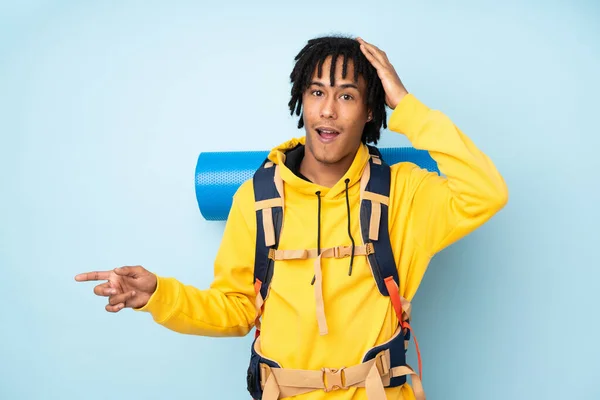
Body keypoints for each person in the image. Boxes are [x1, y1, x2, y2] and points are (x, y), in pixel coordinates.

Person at [75, 35, 508, 400]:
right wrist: (158, 295)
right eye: (317, 92)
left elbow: (486, 191)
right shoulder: (258, 198)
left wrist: (407, 106)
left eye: (348, 96)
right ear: (302, 99)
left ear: (372, 110)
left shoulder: (405, 193)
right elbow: (235, 310)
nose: (328, 110)